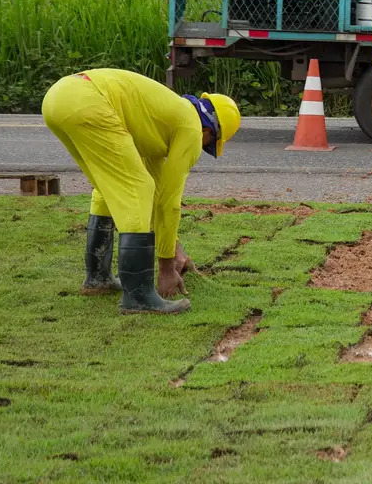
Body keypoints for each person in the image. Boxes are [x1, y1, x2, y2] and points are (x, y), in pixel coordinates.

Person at [41, 69, 240, 315]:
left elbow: (160, 197)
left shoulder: (159, 122)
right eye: (208, 144)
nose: (202, 148)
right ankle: (139, 296)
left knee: (110, 187)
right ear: (208, 131)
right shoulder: (190, 128)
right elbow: (170, 202)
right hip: (88, 100)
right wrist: (166, 268)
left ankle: (98, 278)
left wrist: (174, 248)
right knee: (137, 189)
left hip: (58, 98)